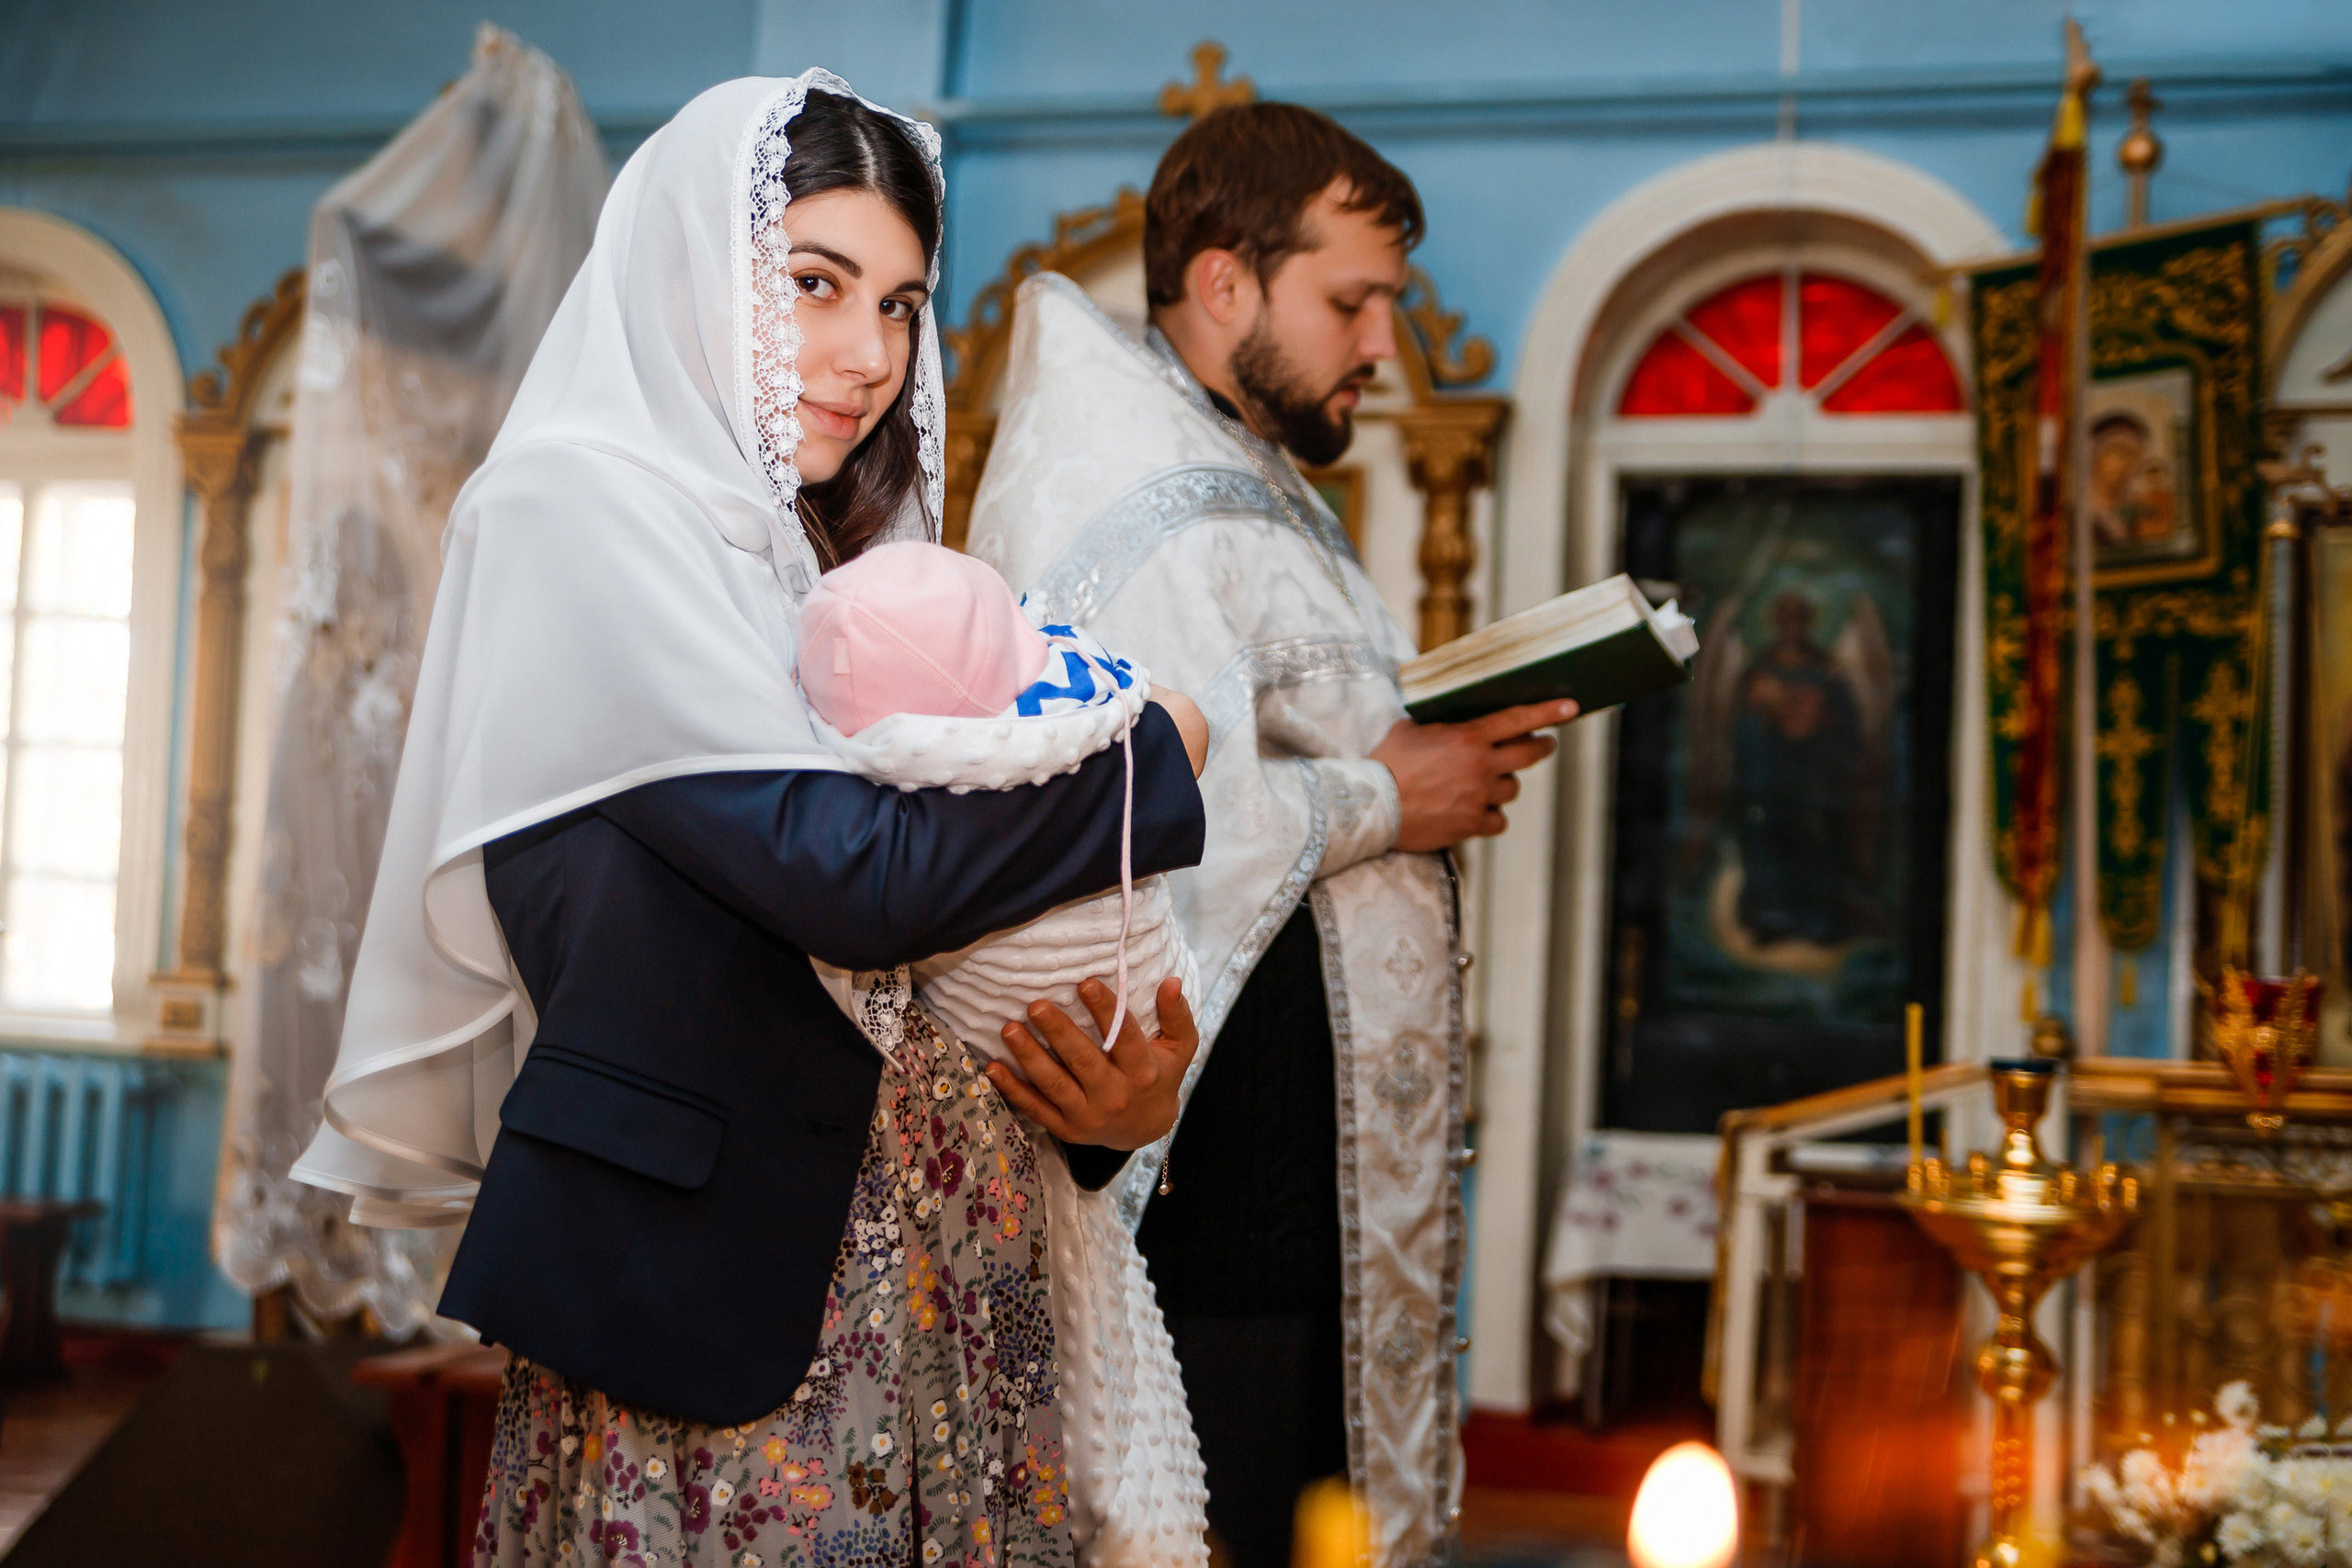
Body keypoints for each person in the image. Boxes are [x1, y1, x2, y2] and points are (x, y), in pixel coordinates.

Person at [289, 73, 1207, 1568]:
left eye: (902, 305)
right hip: (720, 1318)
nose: (869, 354)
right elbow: (854, 882)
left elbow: (948, 976)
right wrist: (1153, 758)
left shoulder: (840, 561)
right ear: (694, 271)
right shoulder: (571, 514)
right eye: (815, 284)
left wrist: (1101, 1113)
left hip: (956, 1284)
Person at [967, 103, 1578, 1568]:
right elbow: (1114, 823)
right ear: (1227, 283)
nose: (1379, 341)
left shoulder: (1263, 481)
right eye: (1352, 300)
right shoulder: (1120, 487)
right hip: (1201, 1213)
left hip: (1312, 1206)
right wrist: (1392, 793)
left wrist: (1425, 753)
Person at [794, 538, 1214, 1566]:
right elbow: (1177, 732)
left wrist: (1121, 1121)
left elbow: (1181, 735)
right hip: (796, 1269)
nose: (863, 367)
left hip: (992, 1228)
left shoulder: (891, 589)